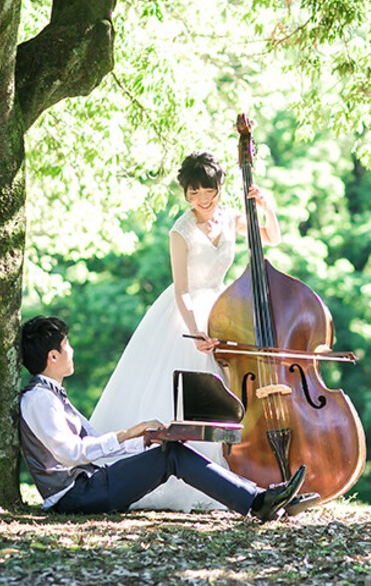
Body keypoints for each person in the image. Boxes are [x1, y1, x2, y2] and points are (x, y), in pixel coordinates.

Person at [88, 151, 280, 511]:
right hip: (188, 315)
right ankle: (187, 476)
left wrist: (265, 207)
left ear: (219, 188)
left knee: (232, 391)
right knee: (192, 394)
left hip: (225, 310)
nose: (202, 201)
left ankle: (237, 471)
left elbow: (271, 238)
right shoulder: (181, 230)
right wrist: (196, 333)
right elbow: (181, 290)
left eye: (208, 192)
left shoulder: (228, 216)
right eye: (193, 194)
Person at [19, 316, 317, 519]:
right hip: (75, 496)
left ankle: (264, 500)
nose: (72, 350)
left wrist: (146, 441)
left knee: (167, 450)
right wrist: (127, 433)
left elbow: (94, 446)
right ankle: (258, 502)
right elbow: (71, 454)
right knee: (171, 456)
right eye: (66, 345)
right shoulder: (38, 400)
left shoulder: (53, 395)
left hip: (90, 485)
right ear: (52, 357)